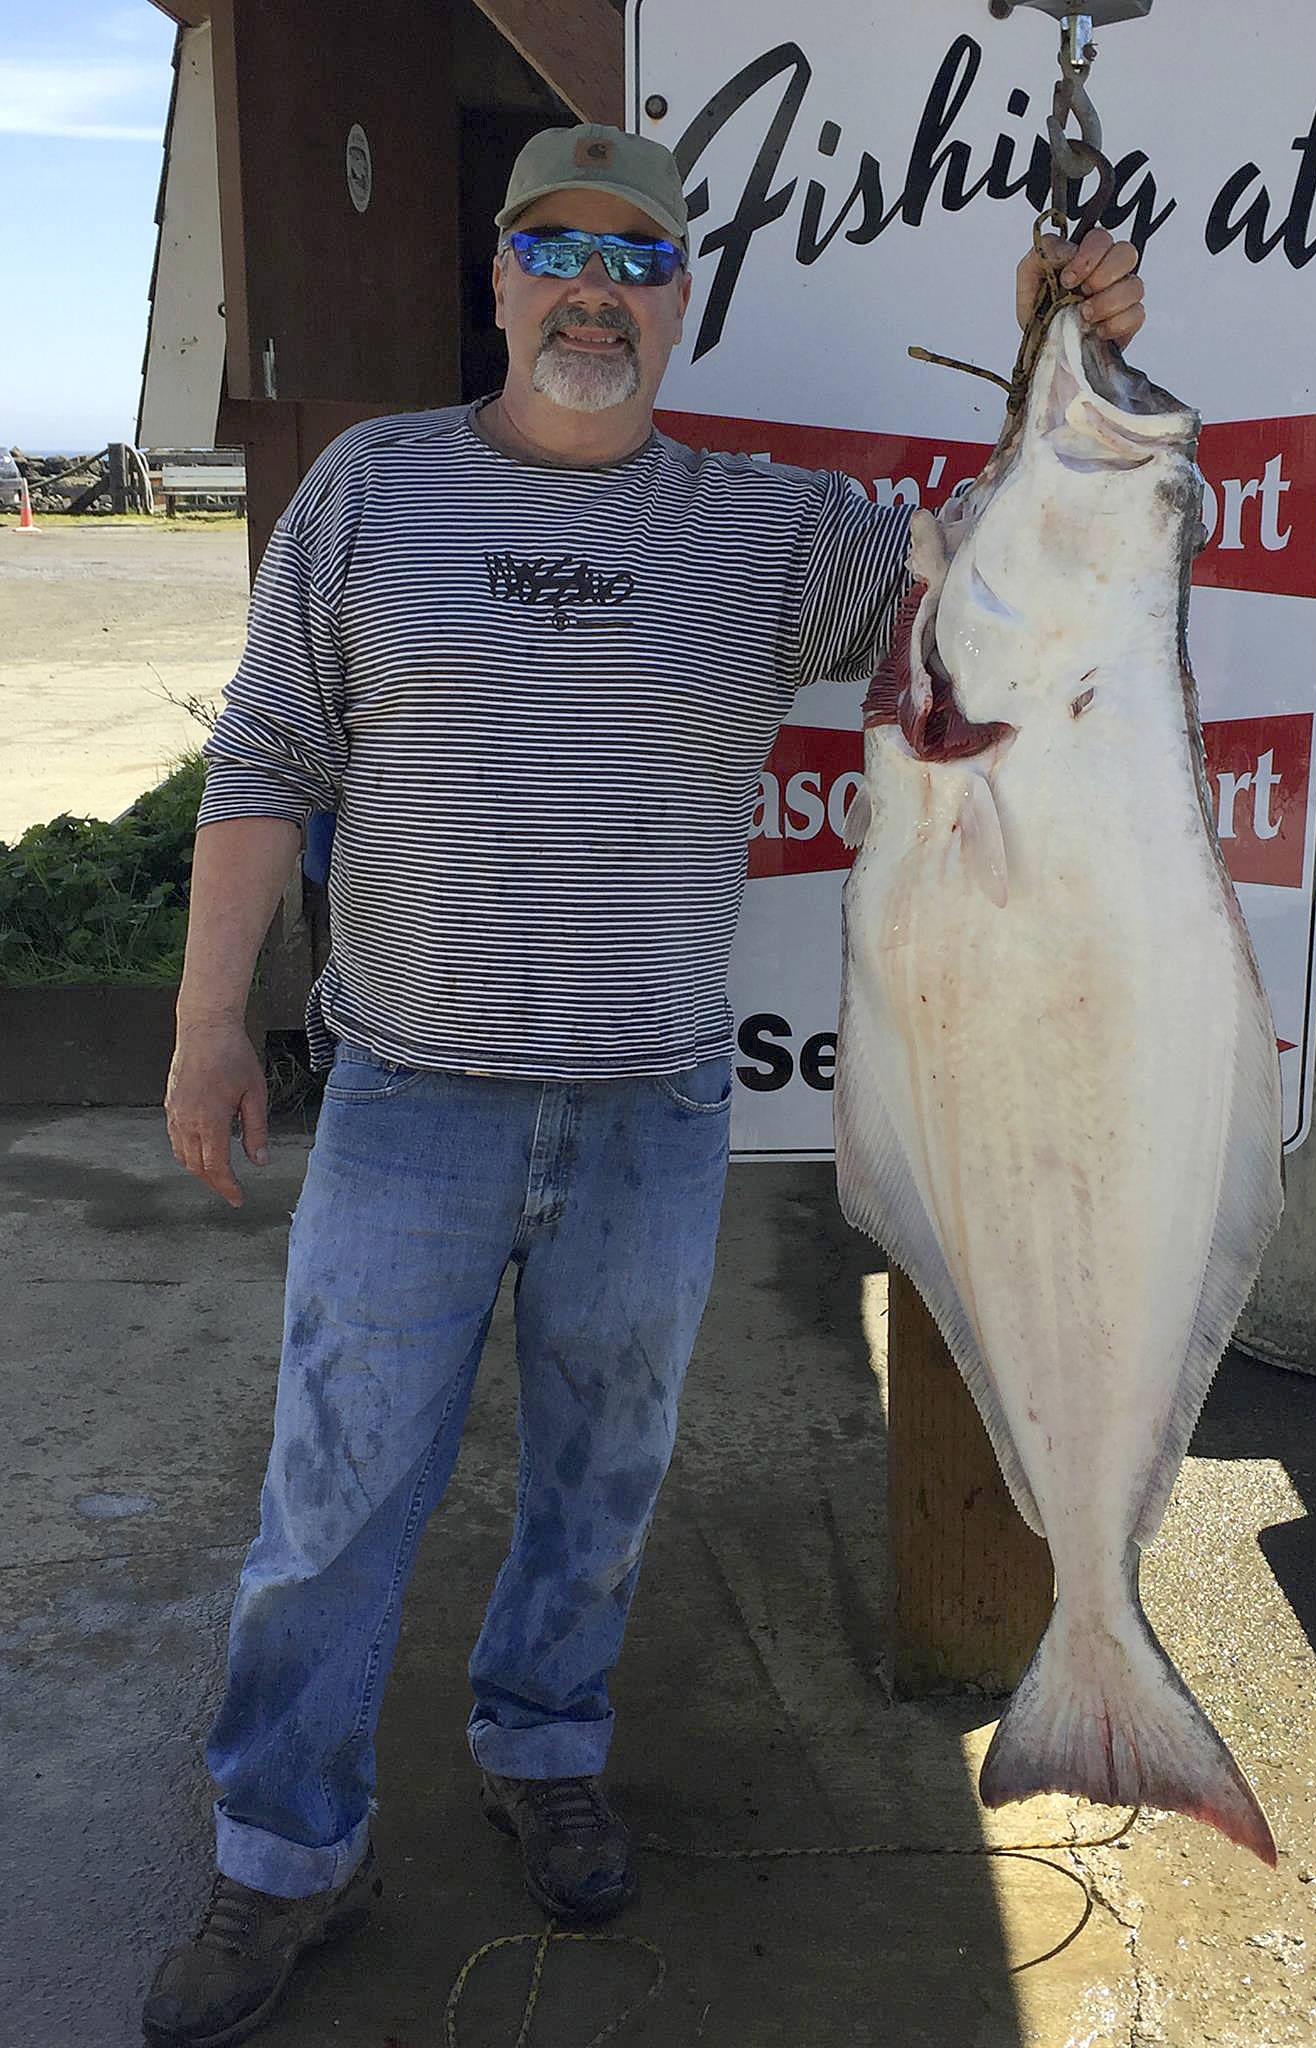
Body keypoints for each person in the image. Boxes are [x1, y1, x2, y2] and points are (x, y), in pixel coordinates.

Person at [145, 122, 1146, 2047]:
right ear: (501, 280)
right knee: (335, 1501)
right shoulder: (371, 490)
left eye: (640, 256)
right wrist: (205, 1019)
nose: (595, 289)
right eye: (556, 248)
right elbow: (265, 758)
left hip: (650, 1111)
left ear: (681, 301)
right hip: (410, 1103)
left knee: (602, 1486)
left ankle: (544, 1742)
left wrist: (1057, 362)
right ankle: (280, 1853)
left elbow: (994, 599)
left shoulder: (767, 528)